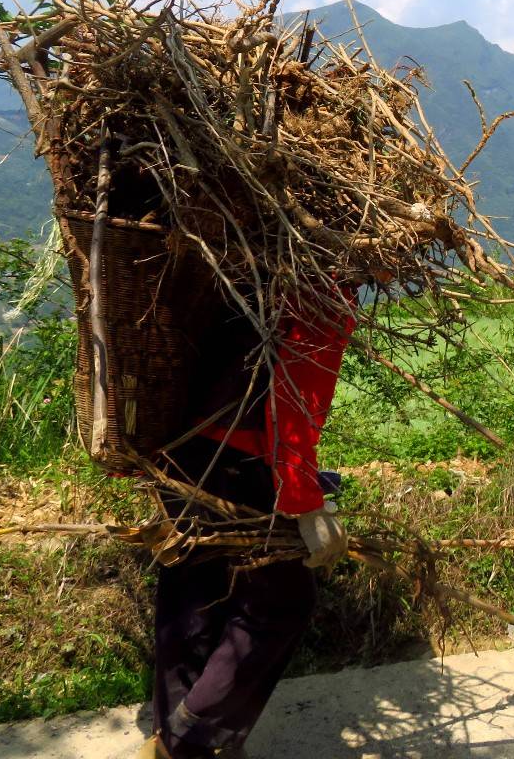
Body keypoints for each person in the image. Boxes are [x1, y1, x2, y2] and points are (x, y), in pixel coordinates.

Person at [137, 295, 356, 759]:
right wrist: (304, 500)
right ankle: (187, 741)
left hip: (179, 449)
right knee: (282, 602)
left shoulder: (240, 263)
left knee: (194, 593)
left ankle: (172, 736)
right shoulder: (323, 284)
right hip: (239, 456)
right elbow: (295, 395)